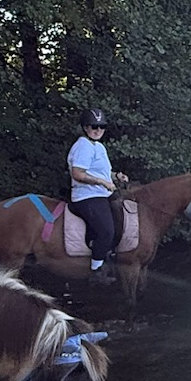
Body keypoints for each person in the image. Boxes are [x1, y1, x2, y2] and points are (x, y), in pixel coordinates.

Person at [67, 106, 128, 279]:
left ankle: (107, 253)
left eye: (102, 127)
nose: (98, 130)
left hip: (102, 193)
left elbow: (101, 172)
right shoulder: (83, 146)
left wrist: (116, 176)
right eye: (94, 126)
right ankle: (96, 270)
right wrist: (103, 182)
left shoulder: (98, 146)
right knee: (107, 231)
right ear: (86, 127)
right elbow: (78, 174)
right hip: (87, 195)